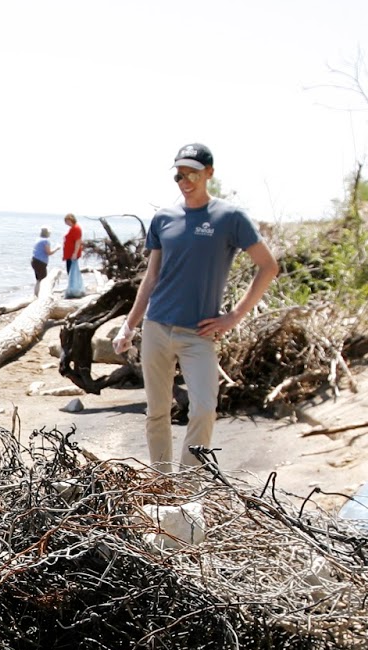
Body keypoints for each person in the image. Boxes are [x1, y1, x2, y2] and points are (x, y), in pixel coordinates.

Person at [116, 143, 280, 471]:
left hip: (198, 333)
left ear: (209, 173)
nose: (185, 180)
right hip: (157, 327)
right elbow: (151, 278)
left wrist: (233, 317)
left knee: (204, 407)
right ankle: (162, 483)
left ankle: (189, 483)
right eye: (179, 174)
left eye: (192, 172)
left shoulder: (230, 217)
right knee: (157, 411)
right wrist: (129, 326)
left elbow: (268, 266)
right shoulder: (163, 218)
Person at [62, 213, 85, 298]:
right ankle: (72, 288)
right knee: (70, 271)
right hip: (69, 254)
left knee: (71, 271)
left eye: (67, 221)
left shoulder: (76, 228)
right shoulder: (73, 228)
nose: (66, 223)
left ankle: (74, 289)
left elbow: (78, 241)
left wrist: (75, 253)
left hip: (72, 254)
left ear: (71, 220)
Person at [31, 227, 57, 296]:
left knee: (38, 279)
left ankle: (36, 294)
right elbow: (48, 252)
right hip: (40, 262)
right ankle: (41, 295)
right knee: (43, 280)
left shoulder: (38, 239)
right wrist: (57, 248)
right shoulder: (46, 241)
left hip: (34, 260)